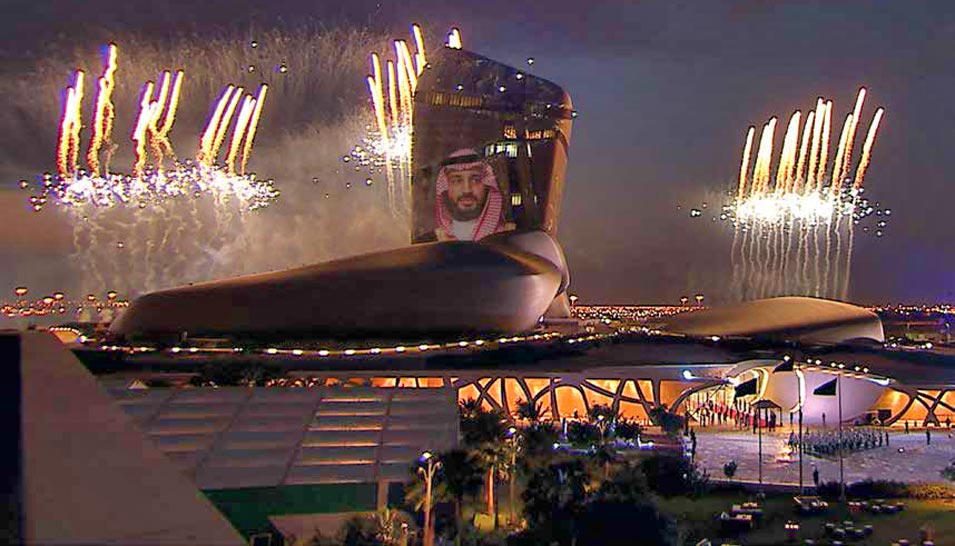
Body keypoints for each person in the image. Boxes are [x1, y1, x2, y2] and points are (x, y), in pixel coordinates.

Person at [433, 149, 507, 241]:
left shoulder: (509, 235)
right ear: (445, 188)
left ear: (488, 186)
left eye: (475, 180)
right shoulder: (430, 241)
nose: (467, 190)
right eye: (456, 181)